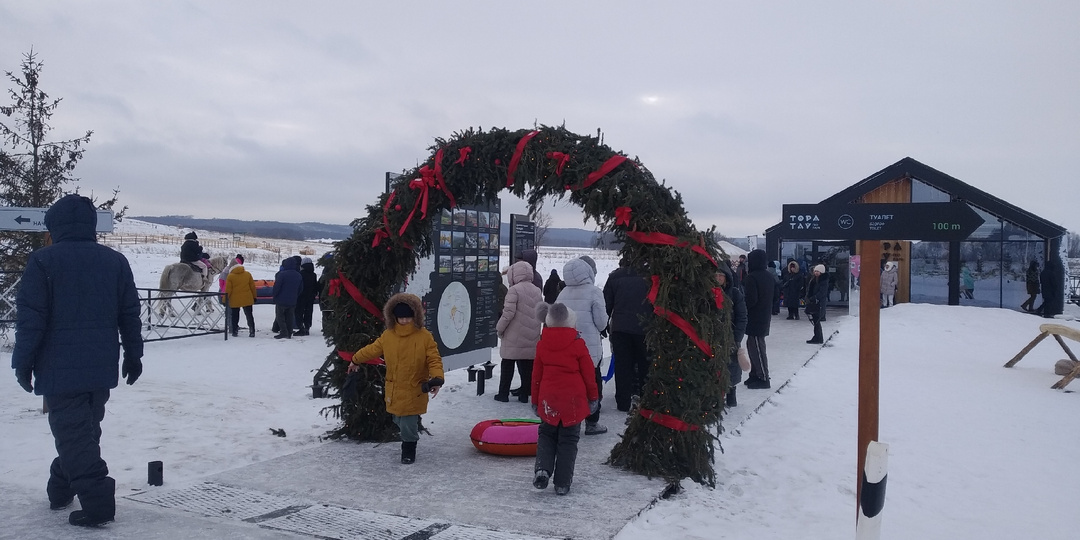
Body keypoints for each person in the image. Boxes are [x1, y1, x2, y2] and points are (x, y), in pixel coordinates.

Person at [11, 194, 144, 527]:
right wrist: (133, 354)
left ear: (55, 226)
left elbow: (32, 319)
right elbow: (129, 314)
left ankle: (98, 502)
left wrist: (22, 362)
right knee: (82, 433)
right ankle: (61, 487)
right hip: (100, 367)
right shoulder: (115, 262)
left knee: (74, 435)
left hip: (59, 368)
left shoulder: (43, 261)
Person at [348, 293, 444, 464]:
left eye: (408, 317)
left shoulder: (424, 336)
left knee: (407, 422)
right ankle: (411, 428)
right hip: (393, 387)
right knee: (397, 418)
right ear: (394, 317)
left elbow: (434, 358)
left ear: (415, 316)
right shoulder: (388, 335)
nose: (405, 321)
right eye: (401, 318)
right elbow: (372, 349)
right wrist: (355, 359)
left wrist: (437, 378)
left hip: (415, 387)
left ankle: (408, 450)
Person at [531, 302, 600, 496]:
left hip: (548, 399)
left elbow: (536, 376)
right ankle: (562, 483)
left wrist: (535, 400)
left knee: (546, 434)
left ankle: (542, 469)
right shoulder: (578, 344)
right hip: (573, 401)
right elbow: (589, 374)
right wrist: (593, 397)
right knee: (568, 440)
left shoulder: (542, 344)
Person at [555, 257, 610, 435]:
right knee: (593, 384)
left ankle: (571, 420)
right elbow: (602, 323)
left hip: (566, 347)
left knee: (572, 384)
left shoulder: (562, 293)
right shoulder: (594, 292)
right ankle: (592, 423)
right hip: (589, 349)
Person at [603, 256, 652, 413]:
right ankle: (645, 400)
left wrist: (604, 324)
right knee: (645, 365)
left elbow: (606, 304)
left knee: (622, 366)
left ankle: (623, 402)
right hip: (644, 329)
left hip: (620, 329)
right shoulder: (650, 277)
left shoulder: (614, 277)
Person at [494, 260, 543, 403]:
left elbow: (508, 313)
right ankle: (524, 395)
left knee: (507, 364)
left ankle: (503, 394)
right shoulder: (536, 290)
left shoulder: (514, 290)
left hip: (513, 335)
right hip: (531, 334)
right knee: (527, 366)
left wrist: (500, 328)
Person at [742, 249, 775, 389]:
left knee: (756, 347)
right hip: (764, 315)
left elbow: (751, 299)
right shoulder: (768, 276)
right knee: (754, 345)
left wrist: (742, 307)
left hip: (755, 317)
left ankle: (763, 377)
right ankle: (755, 374)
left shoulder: (752, 277)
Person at [717, 263, 747, 407]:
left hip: (731, 337)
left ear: (726, 278)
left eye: (720, 275)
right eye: (715, 275)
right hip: (713, 337)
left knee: (731, 366)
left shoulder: (735, 294)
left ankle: (731, 394)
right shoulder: (708, 293)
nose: (717, 278)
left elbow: (742, 317)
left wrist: (736, 338)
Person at [225, 257, 257, 337]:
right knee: (249, 315)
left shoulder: (230, 276)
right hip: (247, 298)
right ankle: (252, 330)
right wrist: (254, 296)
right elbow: (252, 287)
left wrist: (224, 299)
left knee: (235, 315)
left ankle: (235, 331)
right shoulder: (248, 274)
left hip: (235, 299)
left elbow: (228, 290)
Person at [272, 257, 302, 339]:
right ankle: (289, 332)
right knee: (290, 317)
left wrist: (274, 296)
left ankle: (284, 332)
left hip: (281, 299)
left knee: (280, 316)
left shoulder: (282, 274)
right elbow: (300, 288)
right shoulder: (298, 275)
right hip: (292, 300)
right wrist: (295, 295)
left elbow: (277, 287)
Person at [805, 264, 830, 344]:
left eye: (817, 271)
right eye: (815, 271)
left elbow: (822, 293)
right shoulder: (814, 280)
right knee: (815, 321)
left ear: (821, 272)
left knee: (817, 321)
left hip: (818, 304)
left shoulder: (823, 280)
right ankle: (817, 337)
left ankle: (818, 338)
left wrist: (814, 298)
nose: (816, 273)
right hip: (813, 302)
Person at [296, 257, 319, 336]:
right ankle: (307, 327)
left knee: (299, 312)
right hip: (311, 297)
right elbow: (315, 285)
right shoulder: (314, 275)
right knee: (308, 312)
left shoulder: (300, 274)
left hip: (301, 296)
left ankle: (301, 328)